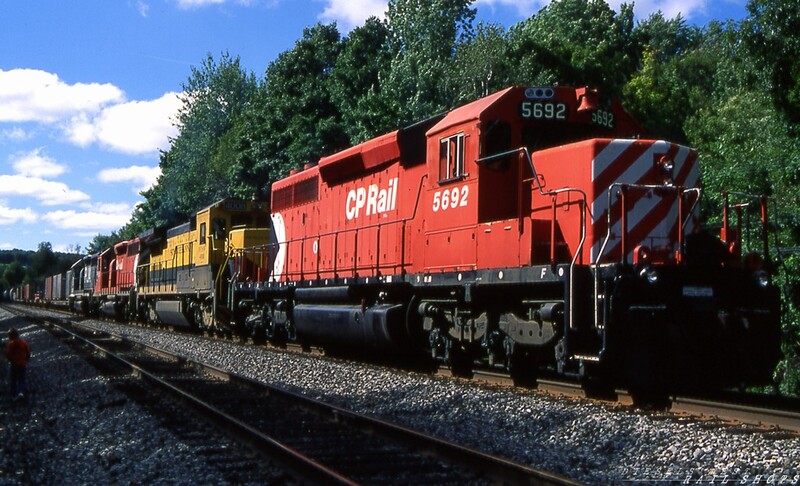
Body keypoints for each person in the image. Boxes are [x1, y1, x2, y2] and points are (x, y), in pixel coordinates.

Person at [5, 328, 31, 400]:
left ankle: (13, 394)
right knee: (21, 378)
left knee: (13, 379)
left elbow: (8, 354)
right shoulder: (23, 342)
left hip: (14, 364)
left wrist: (10, 360)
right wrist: (26, 360)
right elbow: (28, 353)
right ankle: (21, 391)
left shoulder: (10, 344)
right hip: (22, 363)